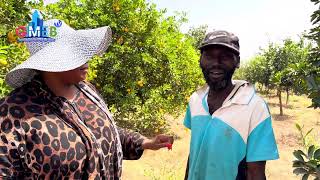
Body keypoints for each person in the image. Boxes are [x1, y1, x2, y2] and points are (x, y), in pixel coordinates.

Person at [0, 18, 173, 179]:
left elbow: (101, 131)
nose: (87, 57)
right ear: (49, 62)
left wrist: (145, 142)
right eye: (72, 52)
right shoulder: (12, 113)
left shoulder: (87, 91)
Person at [183, 30, 279, 180]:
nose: (216, 63)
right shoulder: (195, 99)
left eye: (225, 56)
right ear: (200, 60)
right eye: (209, 56)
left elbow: (256, 173)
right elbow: (196, 151)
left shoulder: (255, 107)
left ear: (237, 61)